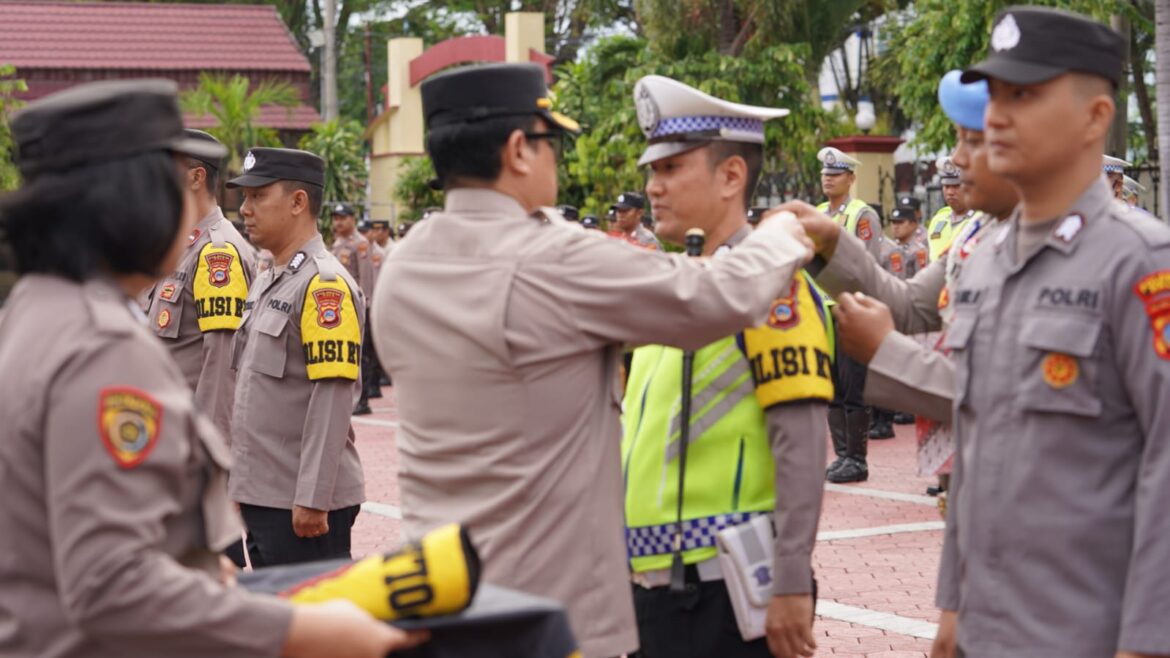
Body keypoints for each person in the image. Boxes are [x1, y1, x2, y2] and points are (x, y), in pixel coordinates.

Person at [370, 62, 815, 658]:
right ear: (518, 151)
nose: (556, 160)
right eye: (550, 143)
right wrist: (780, 234)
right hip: (547, 613)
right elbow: (715, 296)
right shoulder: (553, 257)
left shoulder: (405, 263)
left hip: (442, 595)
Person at [0, 78, 424, 658]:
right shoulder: (99, 345)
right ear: (133, 204)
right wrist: (303, 631)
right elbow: (113, 585)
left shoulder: (35, 311)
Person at [621, 74, 830, 658]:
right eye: (651, 170)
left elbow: (802, 442)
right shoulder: (677, 284)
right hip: (654, 593)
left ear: (731, 176)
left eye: (671, 168)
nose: (652, 186)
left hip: (724, 597)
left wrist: (792, 580)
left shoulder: (774, 288)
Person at [228, 148, 367, 568]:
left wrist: (313, 496)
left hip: (299, 504)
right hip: (265, 494)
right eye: (245, 197)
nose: (245, 209)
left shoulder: (324, 285)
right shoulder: (269, 280)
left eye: (258, 196)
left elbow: (332, 396)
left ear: (298, 202)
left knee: (311, 608)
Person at [143, 128, 254, 441]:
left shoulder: (218, 252)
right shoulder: (179, 245)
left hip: (189, 435)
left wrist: (211, 447)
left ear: (196, 178)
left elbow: (221, 363)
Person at [816, 146, 879, 482]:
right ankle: (842, 455)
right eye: (825, 174)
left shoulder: (861, 215)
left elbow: (867, 267)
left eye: (836, 174)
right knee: (833, 385)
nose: (828, 179)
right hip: (822, 310)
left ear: (851, 178)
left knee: (854, 385)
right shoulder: (817, 214)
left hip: (850, 308)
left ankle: (857, 458)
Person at [329, 202, 376, 415]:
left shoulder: (361, 243)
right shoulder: (338, 243)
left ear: (352, 219)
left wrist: (366, 306)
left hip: (357, 306)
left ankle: (363, 400)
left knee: (362, 354)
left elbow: (366, 277)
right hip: (342, 307)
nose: (338, 222)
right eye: (335, 218)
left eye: (342, 218)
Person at [925, 156, 976, 262]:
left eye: (956, 186)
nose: (950, 192)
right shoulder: (938, 219)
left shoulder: (980, 219)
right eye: (947, 186)